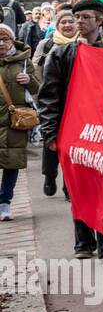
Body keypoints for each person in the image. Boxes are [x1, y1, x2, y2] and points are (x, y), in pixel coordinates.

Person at [36, 0, 103, 261]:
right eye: (77, 18)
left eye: (86, 17)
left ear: (100, 20)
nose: (79, 22)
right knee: (80, 187)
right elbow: (49, 97)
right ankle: (84, 242)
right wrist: (51, 135)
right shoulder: (62, 53)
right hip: (74, 130)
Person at [0, 24, 40, 221]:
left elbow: (37, 88)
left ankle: (4, 202)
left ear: (12, 40)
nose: (1, 43)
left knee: (11, 163)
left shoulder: (23, 61)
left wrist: (29, 80)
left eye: (5, 39)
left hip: (15, 120)